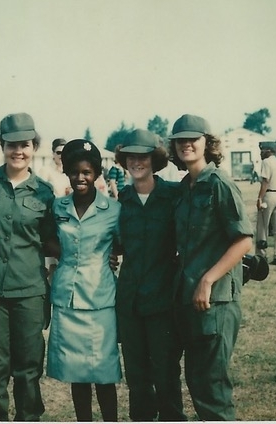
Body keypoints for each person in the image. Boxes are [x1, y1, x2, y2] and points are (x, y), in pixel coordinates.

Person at [0, 113, 56, 421]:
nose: (19, 151)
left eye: (26, 145)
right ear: (1, 145)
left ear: (34, 147)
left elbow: (53, 241)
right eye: (12, 145)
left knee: (29, 367)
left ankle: (28, 417)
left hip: (29, 292)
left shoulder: (44, 192)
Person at [168, 114, 254, 420]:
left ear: (208, 142)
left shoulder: (219, 184)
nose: (187, 144)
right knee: (198, 382)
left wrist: (208, 279)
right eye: (180, 139)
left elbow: (243, 241)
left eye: (194, 138)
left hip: (215, 302)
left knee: (211, 389)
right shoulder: (185, 187)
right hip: (188, 300)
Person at [46, 139, 122, 422]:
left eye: (87, 172)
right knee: (76, 375)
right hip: (67, 298)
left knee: (103, 373)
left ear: (97, 174)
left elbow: (124, 243)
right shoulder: (57, 207)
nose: (81, 178)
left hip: (100, 300)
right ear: (66, 172)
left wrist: (112, 254)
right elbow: (47, 241)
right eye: (75, 172)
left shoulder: (113, 210)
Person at [115, 129, 186, 422]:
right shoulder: (121, 199)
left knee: (166, 370)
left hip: (163, 300)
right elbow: (115, 244)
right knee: (137, 374)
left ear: (154, 159)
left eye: (142, 156)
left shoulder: (173, 195)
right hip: (130, 301)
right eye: (131, 157)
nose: (136, 162)